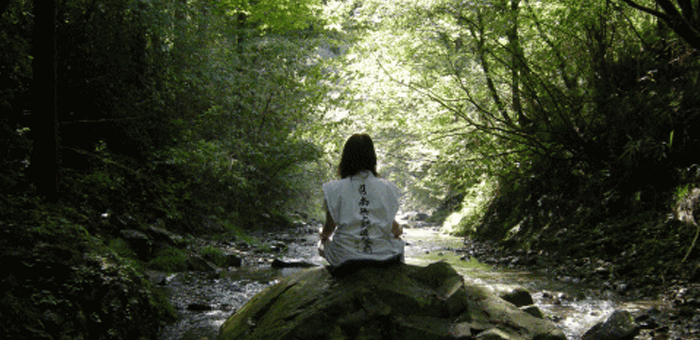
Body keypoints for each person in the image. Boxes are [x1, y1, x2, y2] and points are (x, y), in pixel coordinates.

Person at [318, 133, 404, 275]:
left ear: (345, 158)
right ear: (373, 158)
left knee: (322, 242)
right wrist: (398, 229)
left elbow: (329, 228)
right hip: (384, 258)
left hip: (346, 258)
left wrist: (322, 234)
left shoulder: (333, 188)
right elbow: (394, 229)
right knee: (397, 240)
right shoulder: (389, 188)